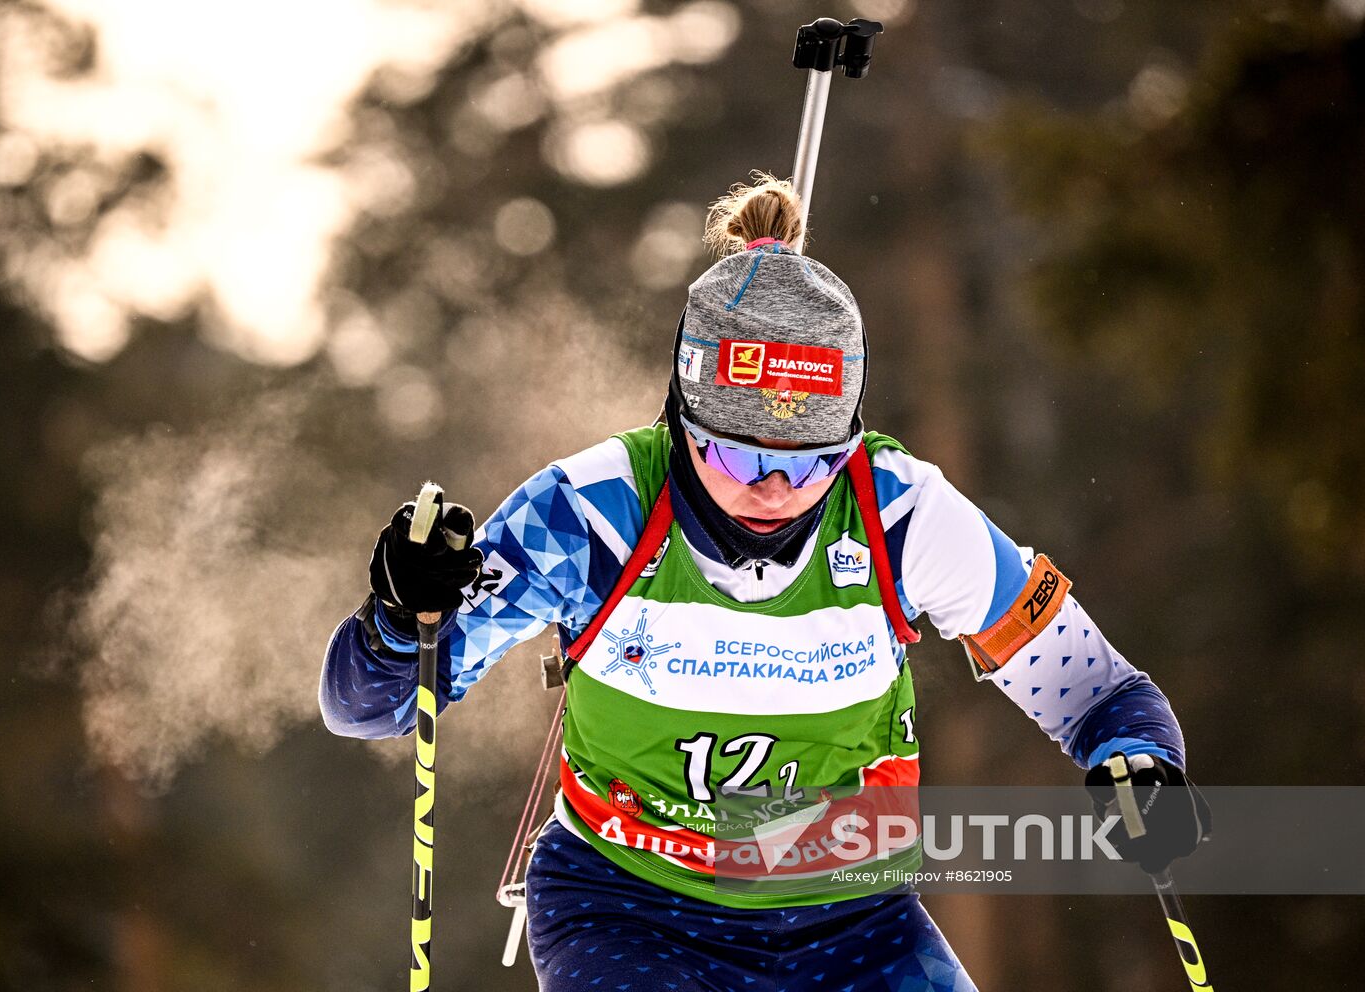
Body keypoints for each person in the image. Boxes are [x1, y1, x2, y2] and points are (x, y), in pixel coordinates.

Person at [320, 175, 1209, 991]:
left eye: (812, 459)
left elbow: (1099, 690)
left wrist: (1137, 762)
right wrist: (397, 617)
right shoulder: (590, 514)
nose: (775, 488)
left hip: (853, 918)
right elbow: (373, 708)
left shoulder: (901, 513)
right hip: (631, 912)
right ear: (682, 416)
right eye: (739, 454)